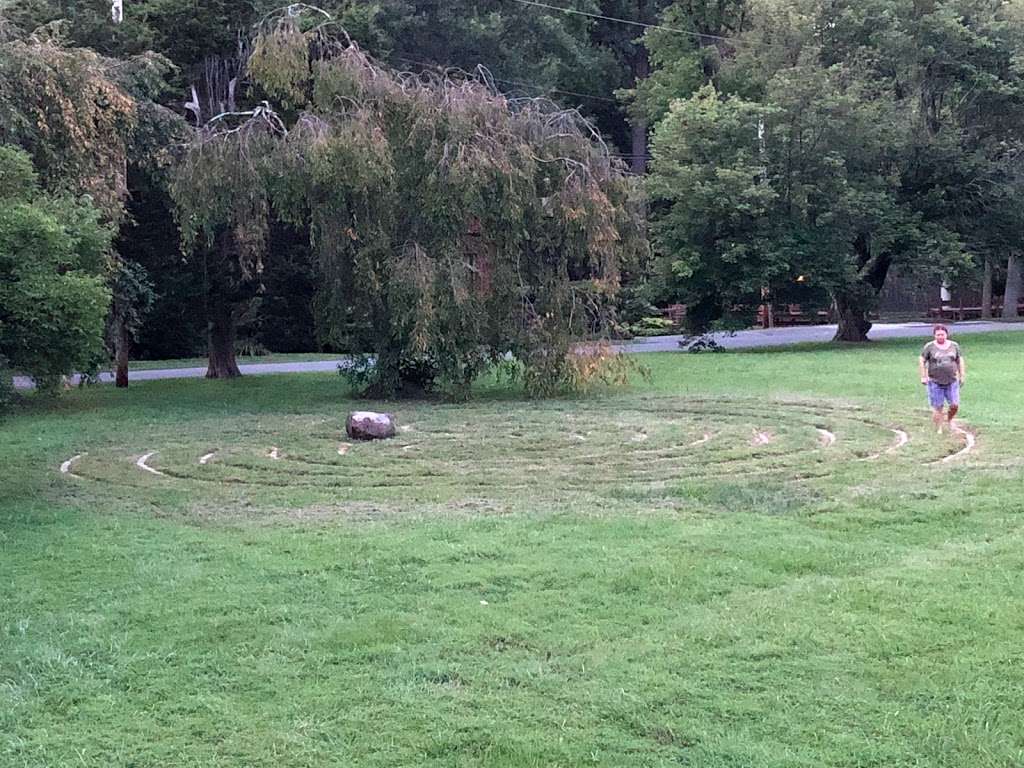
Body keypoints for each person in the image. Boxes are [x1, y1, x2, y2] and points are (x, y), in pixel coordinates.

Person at [919, 324, 965, 432]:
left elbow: (960, 360)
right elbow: (922, 360)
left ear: (946, 334)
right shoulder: (929, 347)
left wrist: (962, 375)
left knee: (954, 404)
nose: (940, 337)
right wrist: (923, 376)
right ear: (934, 335)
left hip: (952, 380)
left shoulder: (954, 346)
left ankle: (949, 420)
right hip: (935, 381)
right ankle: (939, 427)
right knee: (938, 406)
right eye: (938, 335)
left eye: (942, 334)